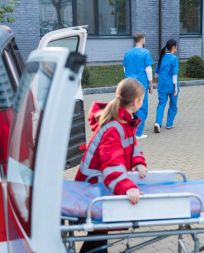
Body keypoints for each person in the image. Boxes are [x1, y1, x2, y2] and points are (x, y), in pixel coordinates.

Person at [75, 78, 147, 253]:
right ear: (137, 102)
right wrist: (127, 187)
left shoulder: (125, 121)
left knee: (98, 236)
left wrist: (138, 162)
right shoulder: (114, 127)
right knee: (98, 237)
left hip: (96, 185)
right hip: (93, 187)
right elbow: (111, 166)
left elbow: (132, 147)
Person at [123, 33, 154, 139]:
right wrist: (151, 84)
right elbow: (148, 70)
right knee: (142, 108)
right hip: (141, 84)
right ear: (142, 40)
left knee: (131, 107)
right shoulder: (145, 52)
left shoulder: (127, 52)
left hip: (130, 83)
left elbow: (124, 69)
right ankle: (138, 133)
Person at [153, 39, 179, 133]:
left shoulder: (162, 57)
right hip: (171, 85)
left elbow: (156, 72)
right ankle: (169, 124)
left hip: (162, 85)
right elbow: (174, 74)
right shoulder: (174, 58)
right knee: (173, 105)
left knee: (161, 104)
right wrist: (175, 88)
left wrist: (155, 80)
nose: (177, 47)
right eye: (176, 46)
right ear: (173, 47)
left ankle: (157, 123)